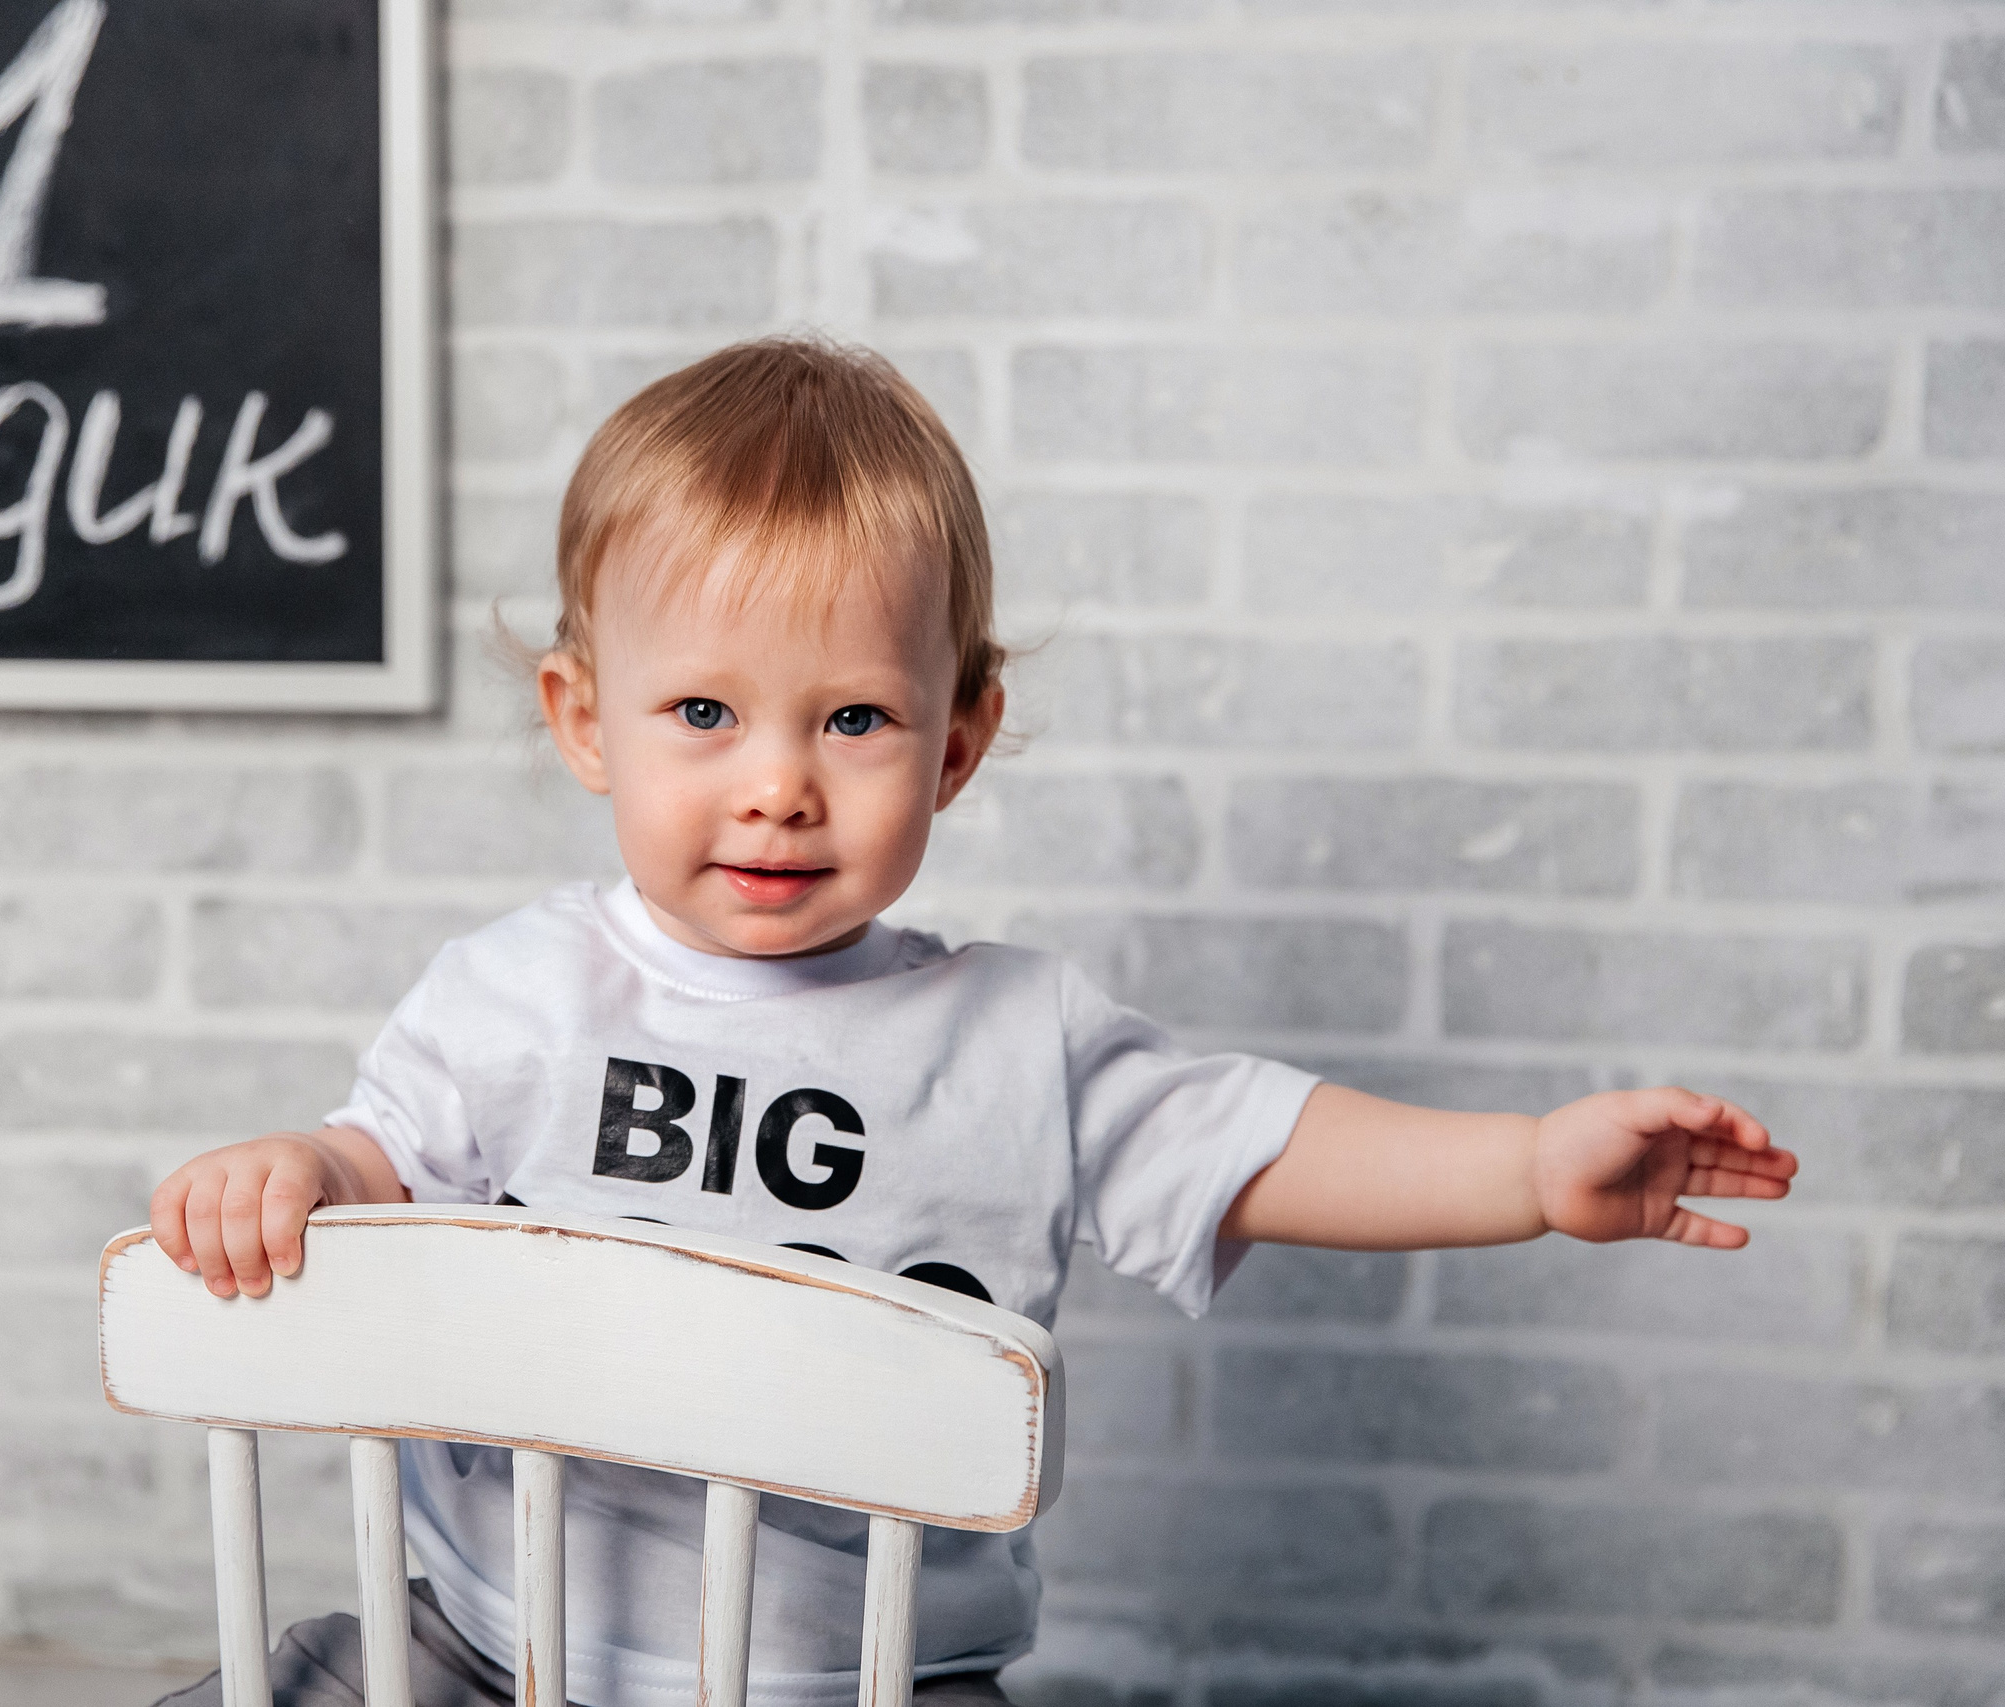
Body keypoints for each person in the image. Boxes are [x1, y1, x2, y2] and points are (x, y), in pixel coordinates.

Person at [147, 337, 1796, 1707]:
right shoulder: (513, 994)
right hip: (489, 1648)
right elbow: (382, 1165)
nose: (779, 783)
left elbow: (1265, 1145)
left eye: (853, 716)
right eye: (704, 713)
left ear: (958, 740)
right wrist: (296, 1162)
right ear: (587, 720)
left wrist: (1527, 1166)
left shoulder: (1011, 1039)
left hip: (864, 1680)